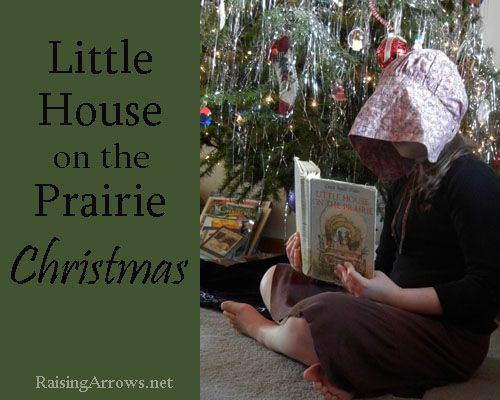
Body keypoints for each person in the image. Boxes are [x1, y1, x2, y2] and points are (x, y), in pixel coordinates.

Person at [221, 49, 500, 399]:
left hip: (447, 334)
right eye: (392, 112)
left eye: (407, 114)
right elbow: (377, 269)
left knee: (323, 318)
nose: (394, 124)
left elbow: (486, 291)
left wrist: (396, 297)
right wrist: (313, 260)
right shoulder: (406, 178)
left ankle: (267, 333)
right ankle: (349, 362)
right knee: (273, 278)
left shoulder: (471, 179)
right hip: (388, 311)